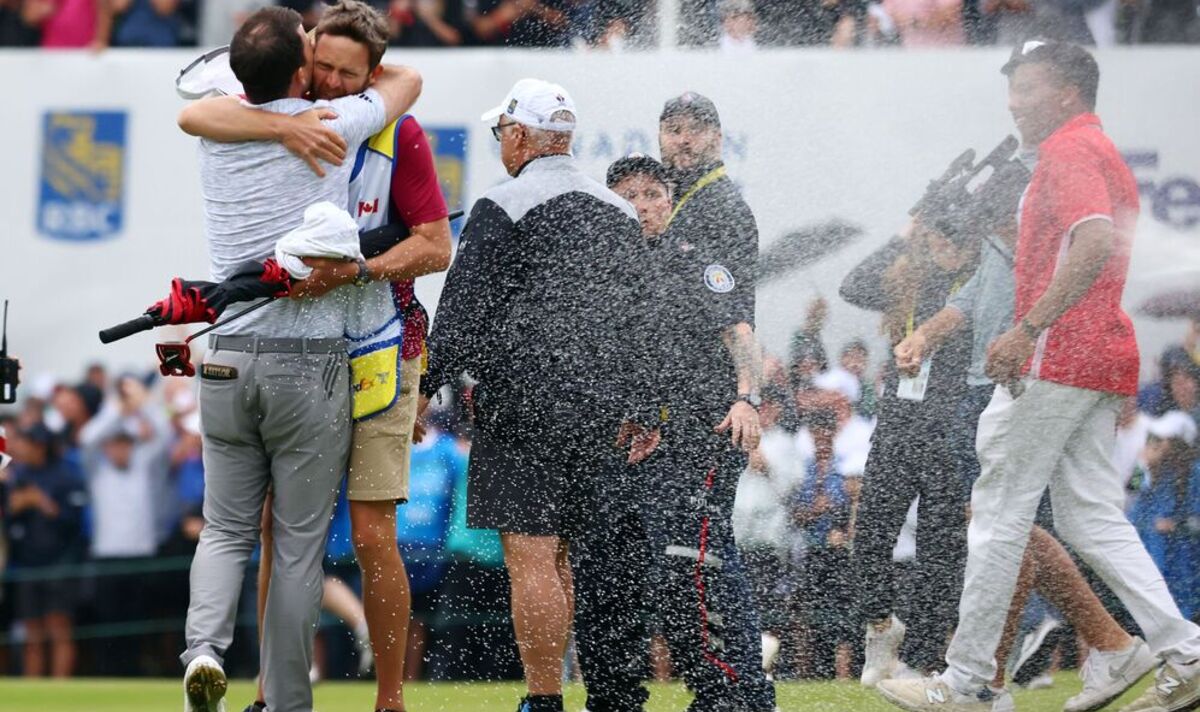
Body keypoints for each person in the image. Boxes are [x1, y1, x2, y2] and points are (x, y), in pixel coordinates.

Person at [876, 41, 1200, 712]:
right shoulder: (1090, 148)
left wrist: (1028, 327)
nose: (1013, 101)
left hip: (1055, 357)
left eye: (1026, 88)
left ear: (1065, 94)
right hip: (1097, 357)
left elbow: (1093, 241)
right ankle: (1180, 652)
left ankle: (965, 685)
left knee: (996, 514)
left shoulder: (1068, 151)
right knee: (1087, 517)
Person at [178, 3, 451, 709]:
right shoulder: (333, 121)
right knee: (293, 540)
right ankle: (281, 698)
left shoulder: (238, 120)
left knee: (296, 530)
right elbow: (409, 76)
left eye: (345, 71)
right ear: (301, 63)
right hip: (313, 360)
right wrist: (290, 121)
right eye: (319, 62)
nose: (328, 78)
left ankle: (213, 653)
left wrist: (358, 272)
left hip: (294, 349)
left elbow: (436, 245)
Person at [416, 78, 647, 712]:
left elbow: (462, 313)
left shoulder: (504, 204)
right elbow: (639, 317)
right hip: (600, 407)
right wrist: (644, 402)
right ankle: (574, 691)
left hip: (525, 399)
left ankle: (544, 701)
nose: (499, 145)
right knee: (566, 557)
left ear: (520, 135)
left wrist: (423, 389)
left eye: (501, 134)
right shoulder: (621, 212)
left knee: (532, 557)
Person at [589, 95, 776, 712]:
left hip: (708, 420)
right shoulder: (677, 214)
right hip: (672, 426)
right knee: (686, 557)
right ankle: (727, 686)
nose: (683, 140)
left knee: (697, 554)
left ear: (718, 137)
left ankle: (738, 690)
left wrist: (748, 395)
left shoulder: (716, 208)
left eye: (696, 130)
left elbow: (736, 322)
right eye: (673, 130)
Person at [840, 217, 976, 686]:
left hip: (949, 431)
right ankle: (880, 625)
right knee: (870, 539)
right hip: (898, 427)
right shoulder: (910, 282)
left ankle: (921, 662)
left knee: (940, 555)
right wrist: (900, 234)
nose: (941, 245)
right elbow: (853, 285)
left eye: (950, 236)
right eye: (933, 236)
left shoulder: (976, 287)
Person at [4, 423, 87, 678]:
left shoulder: (66, 476)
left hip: (59, 564)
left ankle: (60, 690)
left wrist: (41, 502)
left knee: (58, 628)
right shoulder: (18, 476)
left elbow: (74, 522)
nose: (21, 448)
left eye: (27, 443)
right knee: (32, 632)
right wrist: (15, 507)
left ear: (40, 447)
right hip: (28, 564)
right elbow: (8, 520)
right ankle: (34, 690)